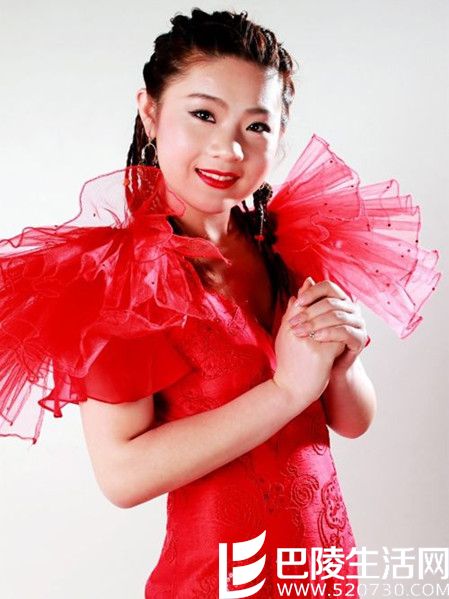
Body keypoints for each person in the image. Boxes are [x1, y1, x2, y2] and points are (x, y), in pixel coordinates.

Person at [0, 8, 441, 598]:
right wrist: (285, 391)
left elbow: (352, 422)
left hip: (322, 566)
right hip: (218, 579)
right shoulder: (125, 281)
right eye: (203, 114)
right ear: (151, 112)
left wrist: (345, 362)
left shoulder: (286, 243)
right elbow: (122, 476)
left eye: (256, 126)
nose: (229, 148)